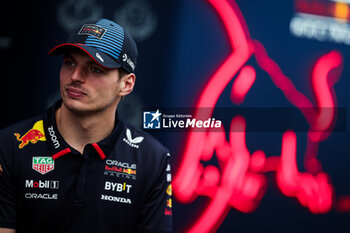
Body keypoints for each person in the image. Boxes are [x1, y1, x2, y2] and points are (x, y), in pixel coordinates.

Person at [0, 18, 172, 233]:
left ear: (126, 84)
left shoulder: (152, 158)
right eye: (69, 63)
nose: (75, 77)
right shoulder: (10, 146)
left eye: (95, 69)